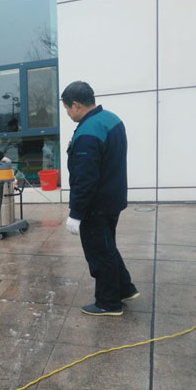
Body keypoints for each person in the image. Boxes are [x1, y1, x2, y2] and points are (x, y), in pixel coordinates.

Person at [61, 81, 139, 316]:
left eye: (67, 108)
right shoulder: (111, 119)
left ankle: (108, 303)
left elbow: (86, 179)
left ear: (76, 105)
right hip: (112, 199)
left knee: (99, 254)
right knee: (107, 247)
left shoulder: (88, 132)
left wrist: (76, 213)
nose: (67, 113)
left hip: (96, 206)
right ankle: (124, 289)